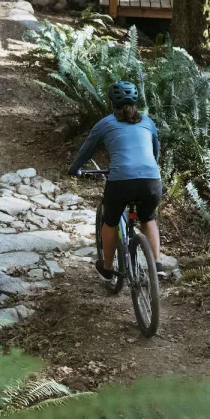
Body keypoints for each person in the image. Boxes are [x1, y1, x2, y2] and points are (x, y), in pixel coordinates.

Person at [67, 81, 163, 280]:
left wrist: (74, 169)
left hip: (121, 181)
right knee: (148, 218)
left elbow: (87, 150)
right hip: (152, 180)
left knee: (110, 221)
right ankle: (158, 265)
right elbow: (155, 151)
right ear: (136, 101)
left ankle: (108, 269)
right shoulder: (147, 122)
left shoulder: (106, 123)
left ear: (111, 102)